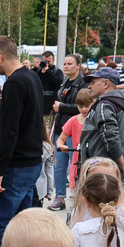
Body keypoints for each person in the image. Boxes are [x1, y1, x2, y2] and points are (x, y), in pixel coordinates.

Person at [0, 36, 44, 247]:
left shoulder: (14, 83)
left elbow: (9, 130)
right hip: (31, 161)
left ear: (0, 57)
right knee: (23, 225)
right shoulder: (32, 77)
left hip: (16, 165)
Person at [78, 67, 124, 182]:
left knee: (99, 199)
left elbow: (110, 137)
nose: (89, 86)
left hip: (101, 170)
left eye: (93, 82)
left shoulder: (104, 105)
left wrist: (122, 165)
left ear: (106, 83)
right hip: (116, 171)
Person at [49, 53, 89, 210]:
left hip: (76, 130)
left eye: (70, 64)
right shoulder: (64, 82)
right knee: (58, 166)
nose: (66, 66)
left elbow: (84, 107)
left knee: (74, 165)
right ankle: (60, 197)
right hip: (61, 128)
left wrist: (62, 107)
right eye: (64, 64)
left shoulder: (83, 84)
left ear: (78, 65)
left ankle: (77, 196)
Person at [54, 89, 93, 195]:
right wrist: (61, 145)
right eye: (81, 107)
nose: (84, 109)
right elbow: (60, 139)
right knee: (75, 196)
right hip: (77, 163)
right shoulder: (73, 120)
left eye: (87, 106)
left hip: (92, 162)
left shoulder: (95, 119)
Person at [34, 50, 64, 122]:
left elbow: (58, 83)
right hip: (38, 109)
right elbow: (30, 78)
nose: (46, 64)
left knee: (47, 132)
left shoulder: (57, 72)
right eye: (45, 61)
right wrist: (36, 68)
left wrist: (47, 72)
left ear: (53, 61)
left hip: (50, 110)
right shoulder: (38, 71)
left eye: (49, 62)